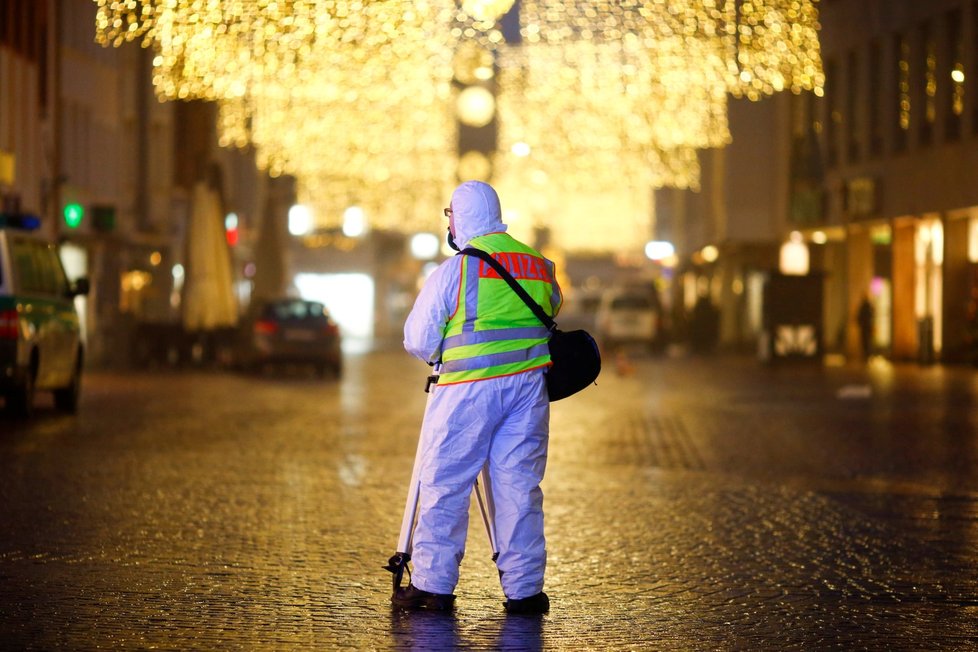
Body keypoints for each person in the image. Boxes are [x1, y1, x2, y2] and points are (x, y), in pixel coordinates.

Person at [395, 180, 562, 614]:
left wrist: (443, 353)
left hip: (467, 391)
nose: (447, 221)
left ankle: (433, 586)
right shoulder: (538, 264)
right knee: (519, 488)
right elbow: (551, 307)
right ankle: (526, 591)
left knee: (446, 483)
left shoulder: (458, 269)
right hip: (527, 390)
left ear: (463, 216)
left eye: (449, 213)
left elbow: (417, 338)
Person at [857, 294, 874, 360]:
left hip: (865, 326)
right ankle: (867, 354)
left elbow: (861, 316)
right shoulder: (867, 306)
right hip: (866, 326)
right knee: (866, 341)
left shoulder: (866, 306)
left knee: (866, 341)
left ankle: (867, 354)